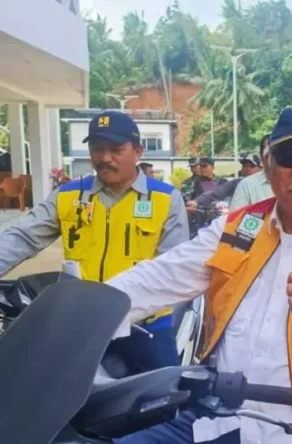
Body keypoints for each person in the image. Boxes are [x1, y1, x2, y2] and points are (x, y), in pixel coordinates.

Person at [108, 106, 292, 444]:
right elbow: (157, 278)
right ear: (268, 166)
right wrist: (84, 309)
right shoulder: (237, 227)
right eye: (289, 157)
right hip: (222, 419)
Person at [0, 110, 189, 373]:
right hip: (80, 322)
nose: (105, 158)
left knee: (166, 390)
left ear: (137, 151)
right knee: (48, 388)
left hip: (145, 325)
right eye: (97, 149)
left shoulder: (166, 199)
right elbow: (22, 236)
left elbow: (173, 267)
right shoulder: (68, 195)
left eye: (116, 149)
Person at [186, 136, 268, 213]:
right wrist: (196, 202)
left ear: (260, 168)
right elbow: (215, 193)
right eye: (245, 166)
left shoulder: (270, 182)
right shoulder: (237, 183)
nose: (247, 169)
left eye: (252, 166)